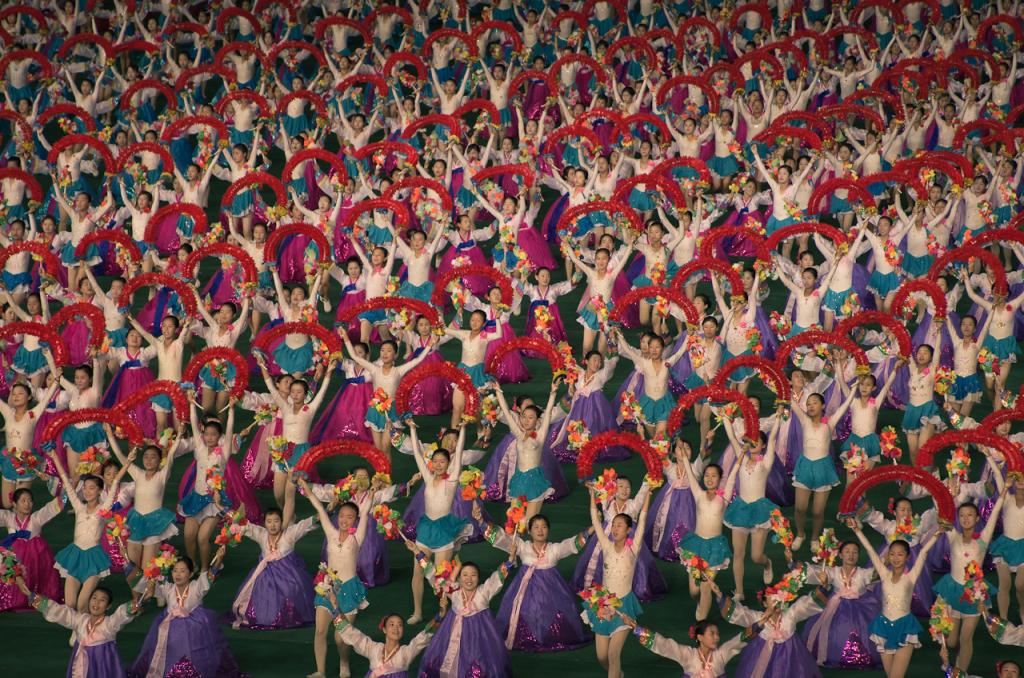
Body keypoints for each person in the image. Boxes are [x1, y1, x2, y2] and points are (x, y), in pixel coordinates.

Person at [850, 519, 944, 678]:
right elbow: (871, 551)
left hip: (905, 628)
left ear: (907, 557)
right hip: (883, 627)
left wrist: (938, 533)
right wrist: (856, 530)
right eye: (892, 554)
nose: (895, 558)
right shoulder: (884, 574)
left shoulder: (911, 577)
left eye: (900, 554)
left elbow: (923, 553)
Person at [583, 485, 649, 678]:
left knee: (613, 654)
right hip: (603, 605)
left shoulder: (633, 549)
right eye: (614, 524)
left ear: (629, 530)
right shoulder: (606, 545)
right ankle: (618, 675)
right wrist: (592, 496)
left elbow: (643, 521)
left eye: (620, 525)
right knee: (602, 656)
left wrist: (648, 497)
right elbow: (595, 520)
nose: (615, 528)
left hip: (624, 606)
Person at [19, 578, 145, 677]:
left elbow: (120, 616)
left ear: (108, 606)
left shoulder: (109, 625)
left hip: (102, 667)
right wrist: (41, 602)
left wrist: (130, 608)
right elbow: (62, 613)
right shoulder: (81, 620)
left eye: (102, 600)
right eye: (94, 598)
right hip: (81, 667)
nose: (96, 603)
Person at [230, 507, 317, 630]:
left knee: (290, 589)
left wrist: (321, 515)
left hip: (288, 572)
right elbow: (248, 527)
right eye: (269, 521)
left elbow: (304, 525)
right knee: (260, 589)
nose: (272, 525)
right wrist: (234, 524)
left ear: (281, 522)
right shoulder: (261, 534)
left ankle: (290, 616)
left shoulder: (289, 534)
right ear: (264, 523)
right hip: (266, 572)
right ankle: (266, 617)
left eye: (276, 521)